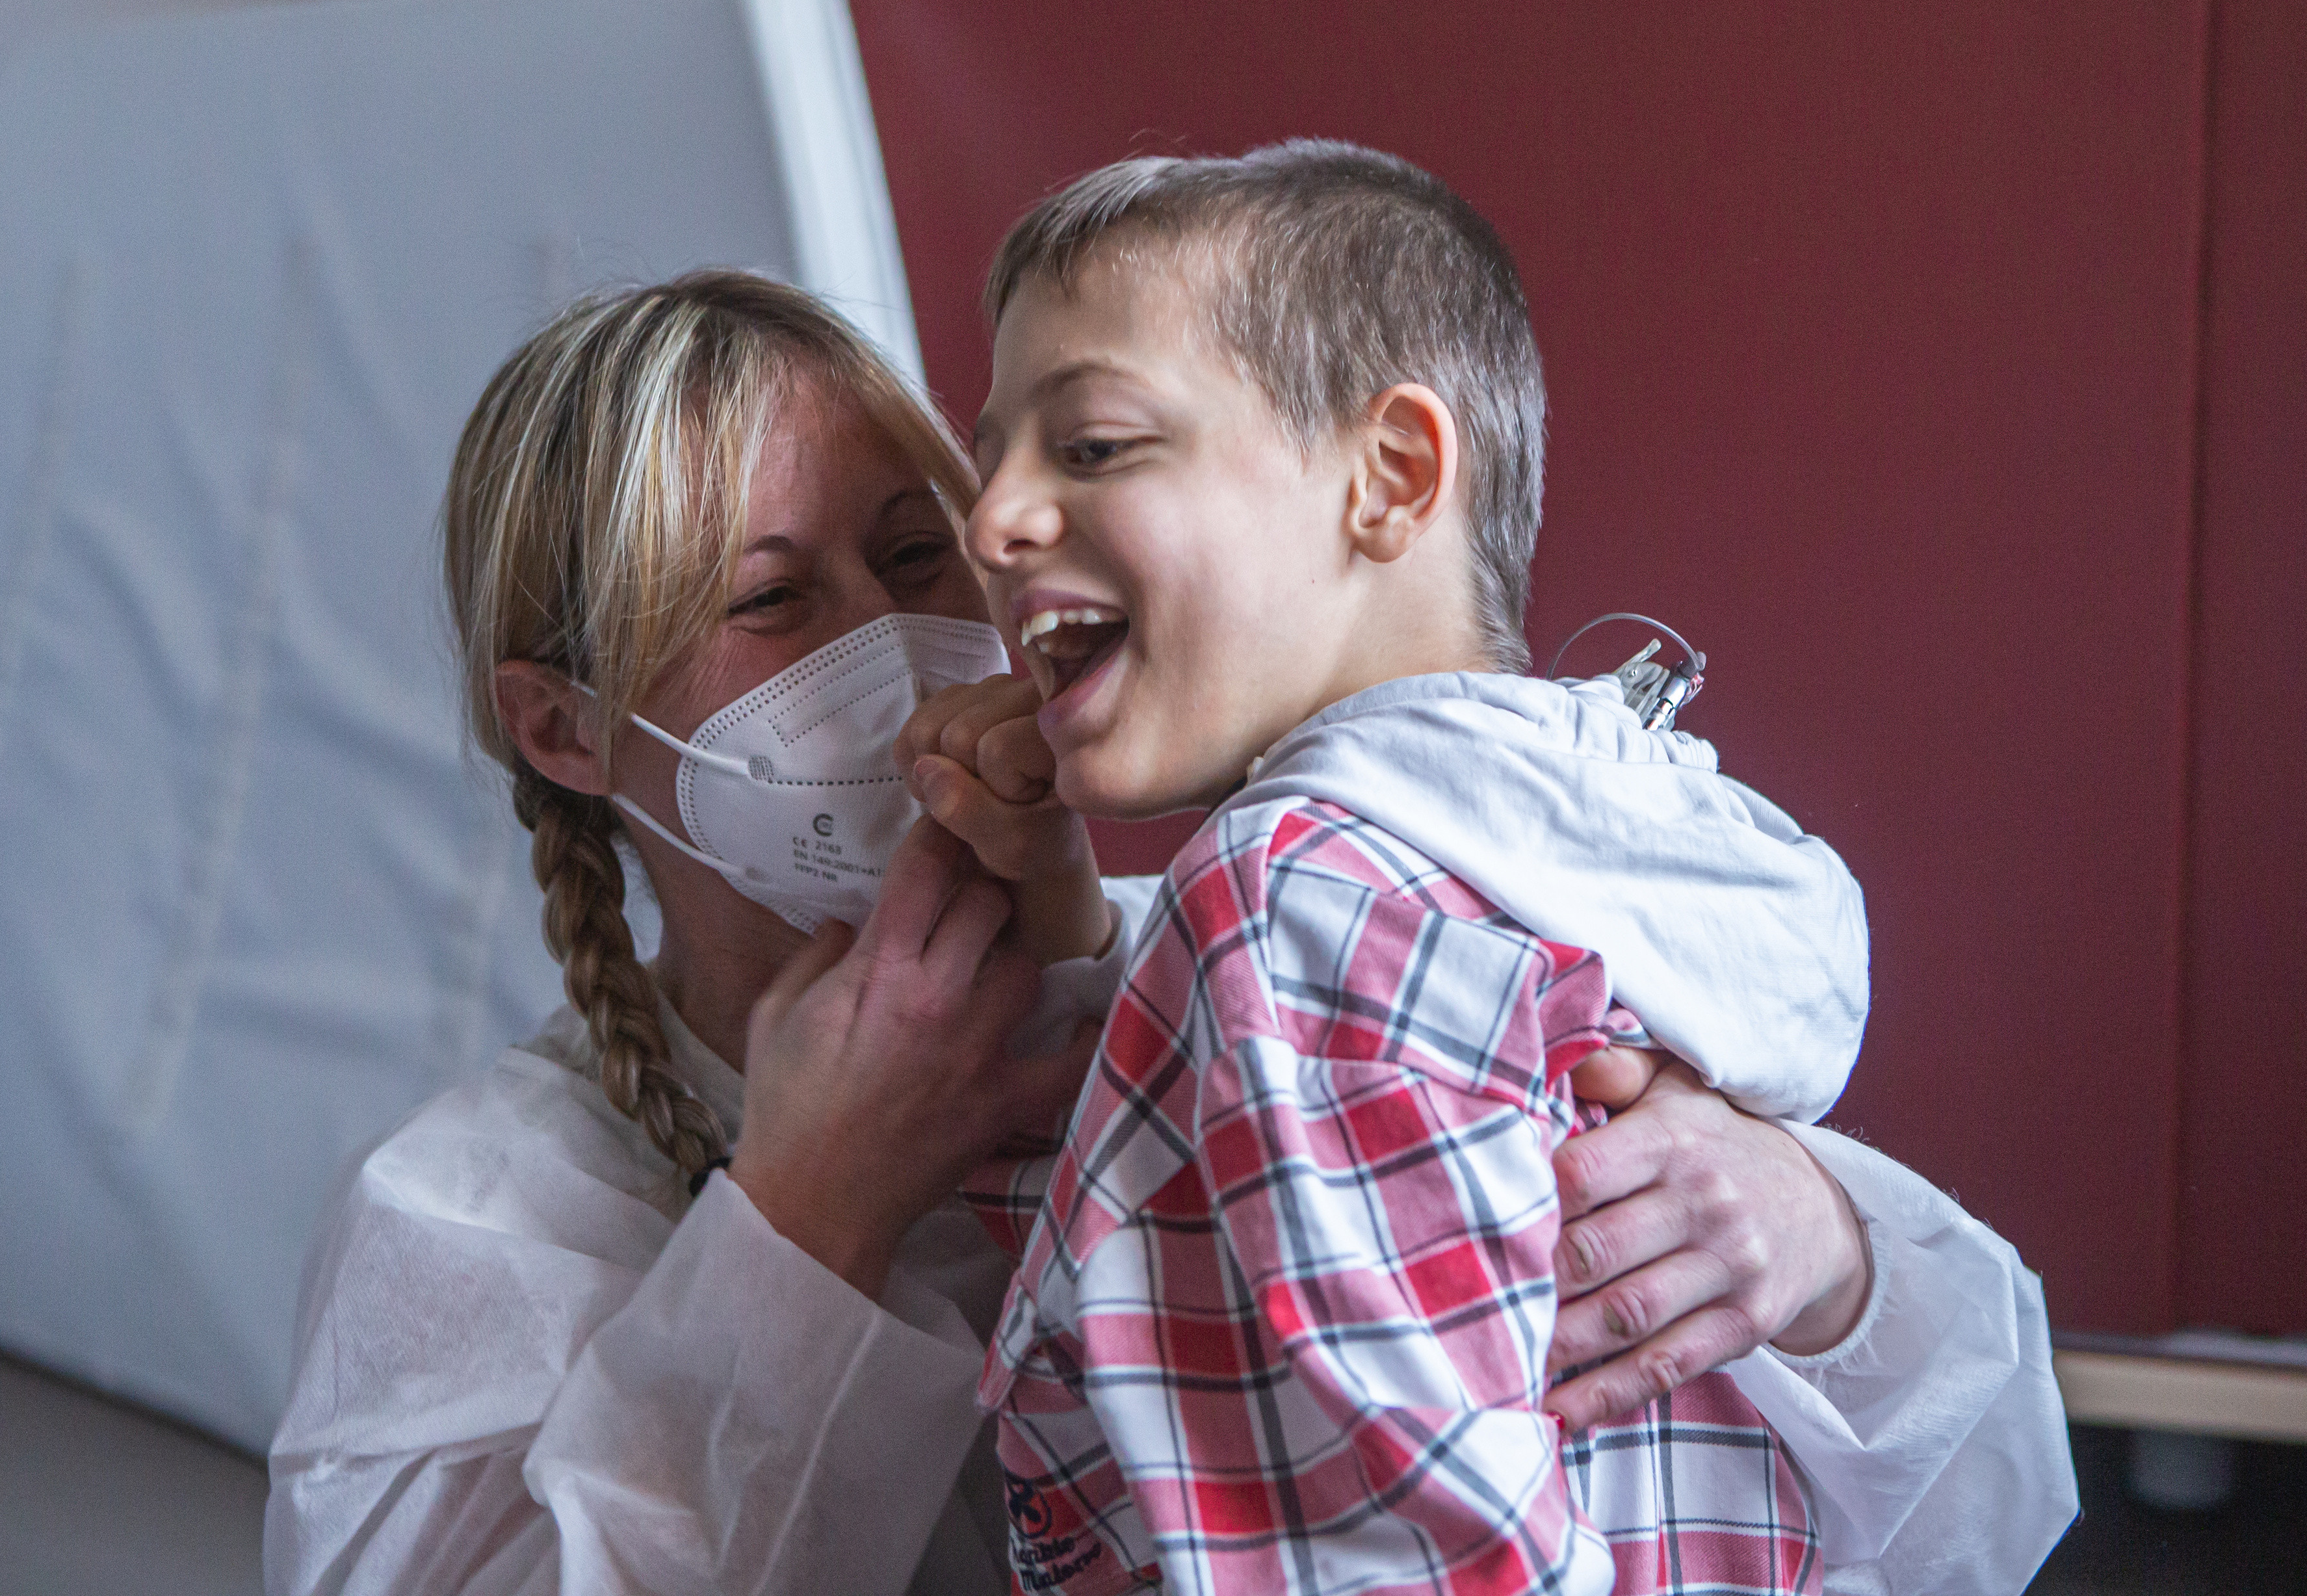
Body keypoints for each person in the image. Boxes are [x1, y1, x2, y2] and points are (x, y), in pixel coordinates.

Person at [264, 269, 2072, 1596]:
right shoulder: (473, 1217)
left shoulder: (1272, 975)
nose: (886, 643)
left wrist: (1813, 1245)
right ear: (568, 731)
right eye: (767, 602)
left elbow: (1990, 1483)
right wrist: (807, 1224)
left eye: (914, 557)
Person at [958, 141, 2073, 1594]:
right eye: (987, 462)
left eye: (1091, 444)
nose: (991, 522)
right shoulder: (1572, 889)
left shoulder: (1293, 896)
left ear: (1388, 478)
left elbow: (1410, 1556)